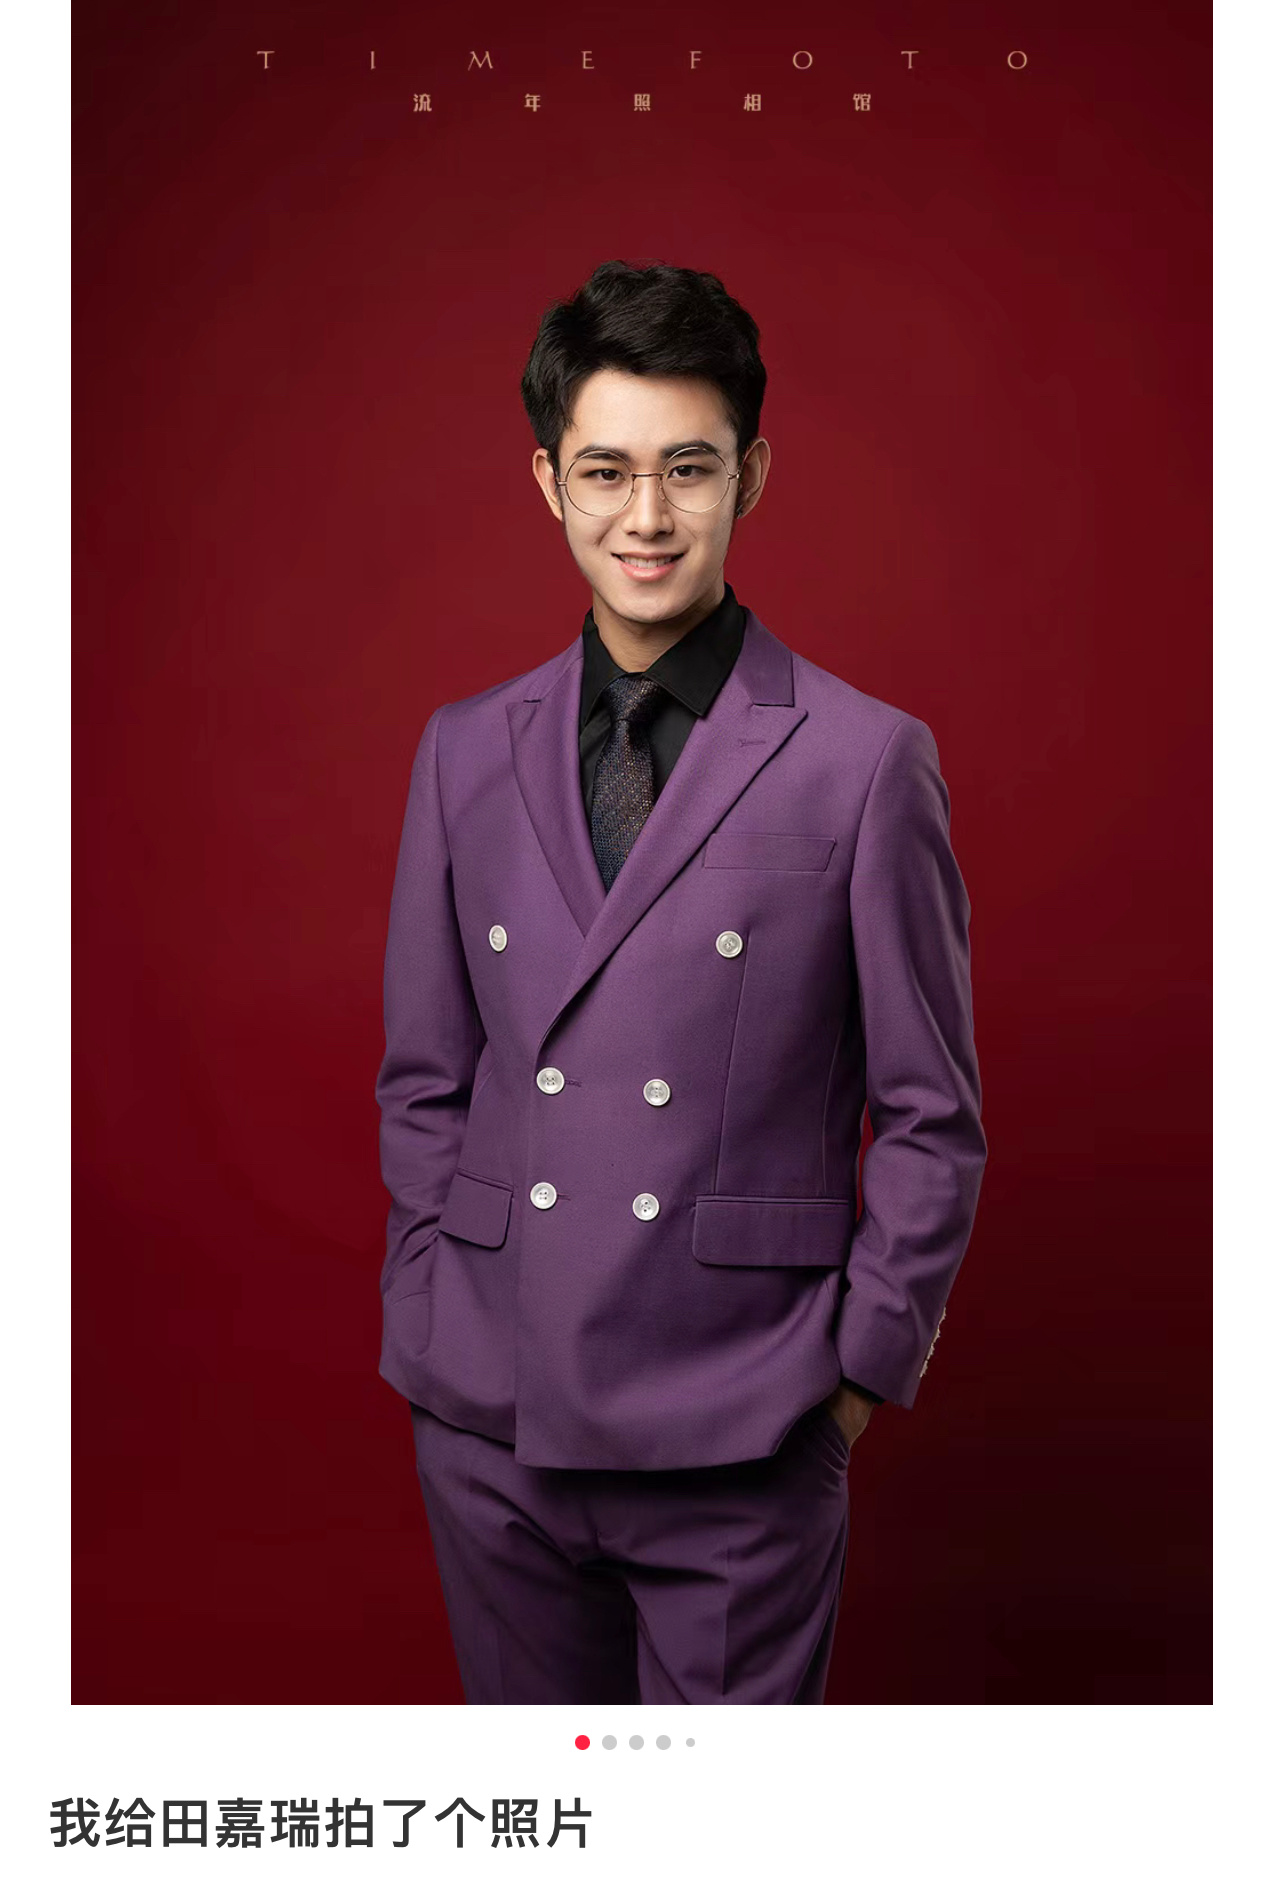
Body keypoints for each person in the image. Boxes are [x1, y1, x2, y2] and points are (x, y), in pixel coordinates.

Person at [374, 259, 987, 1704]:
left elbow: (931, 1112)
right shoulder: (463, 751)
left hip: (743, 1416)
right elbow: (426, 1076)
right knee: (552, 1813)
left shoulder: (863, 759)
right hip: (494, 1407)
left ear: (750, 476)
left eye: (688, 469)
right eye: (606, 471)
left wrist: (854, 1374)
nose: (645, 517)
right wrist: (429, 1299)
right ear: (549, 482)